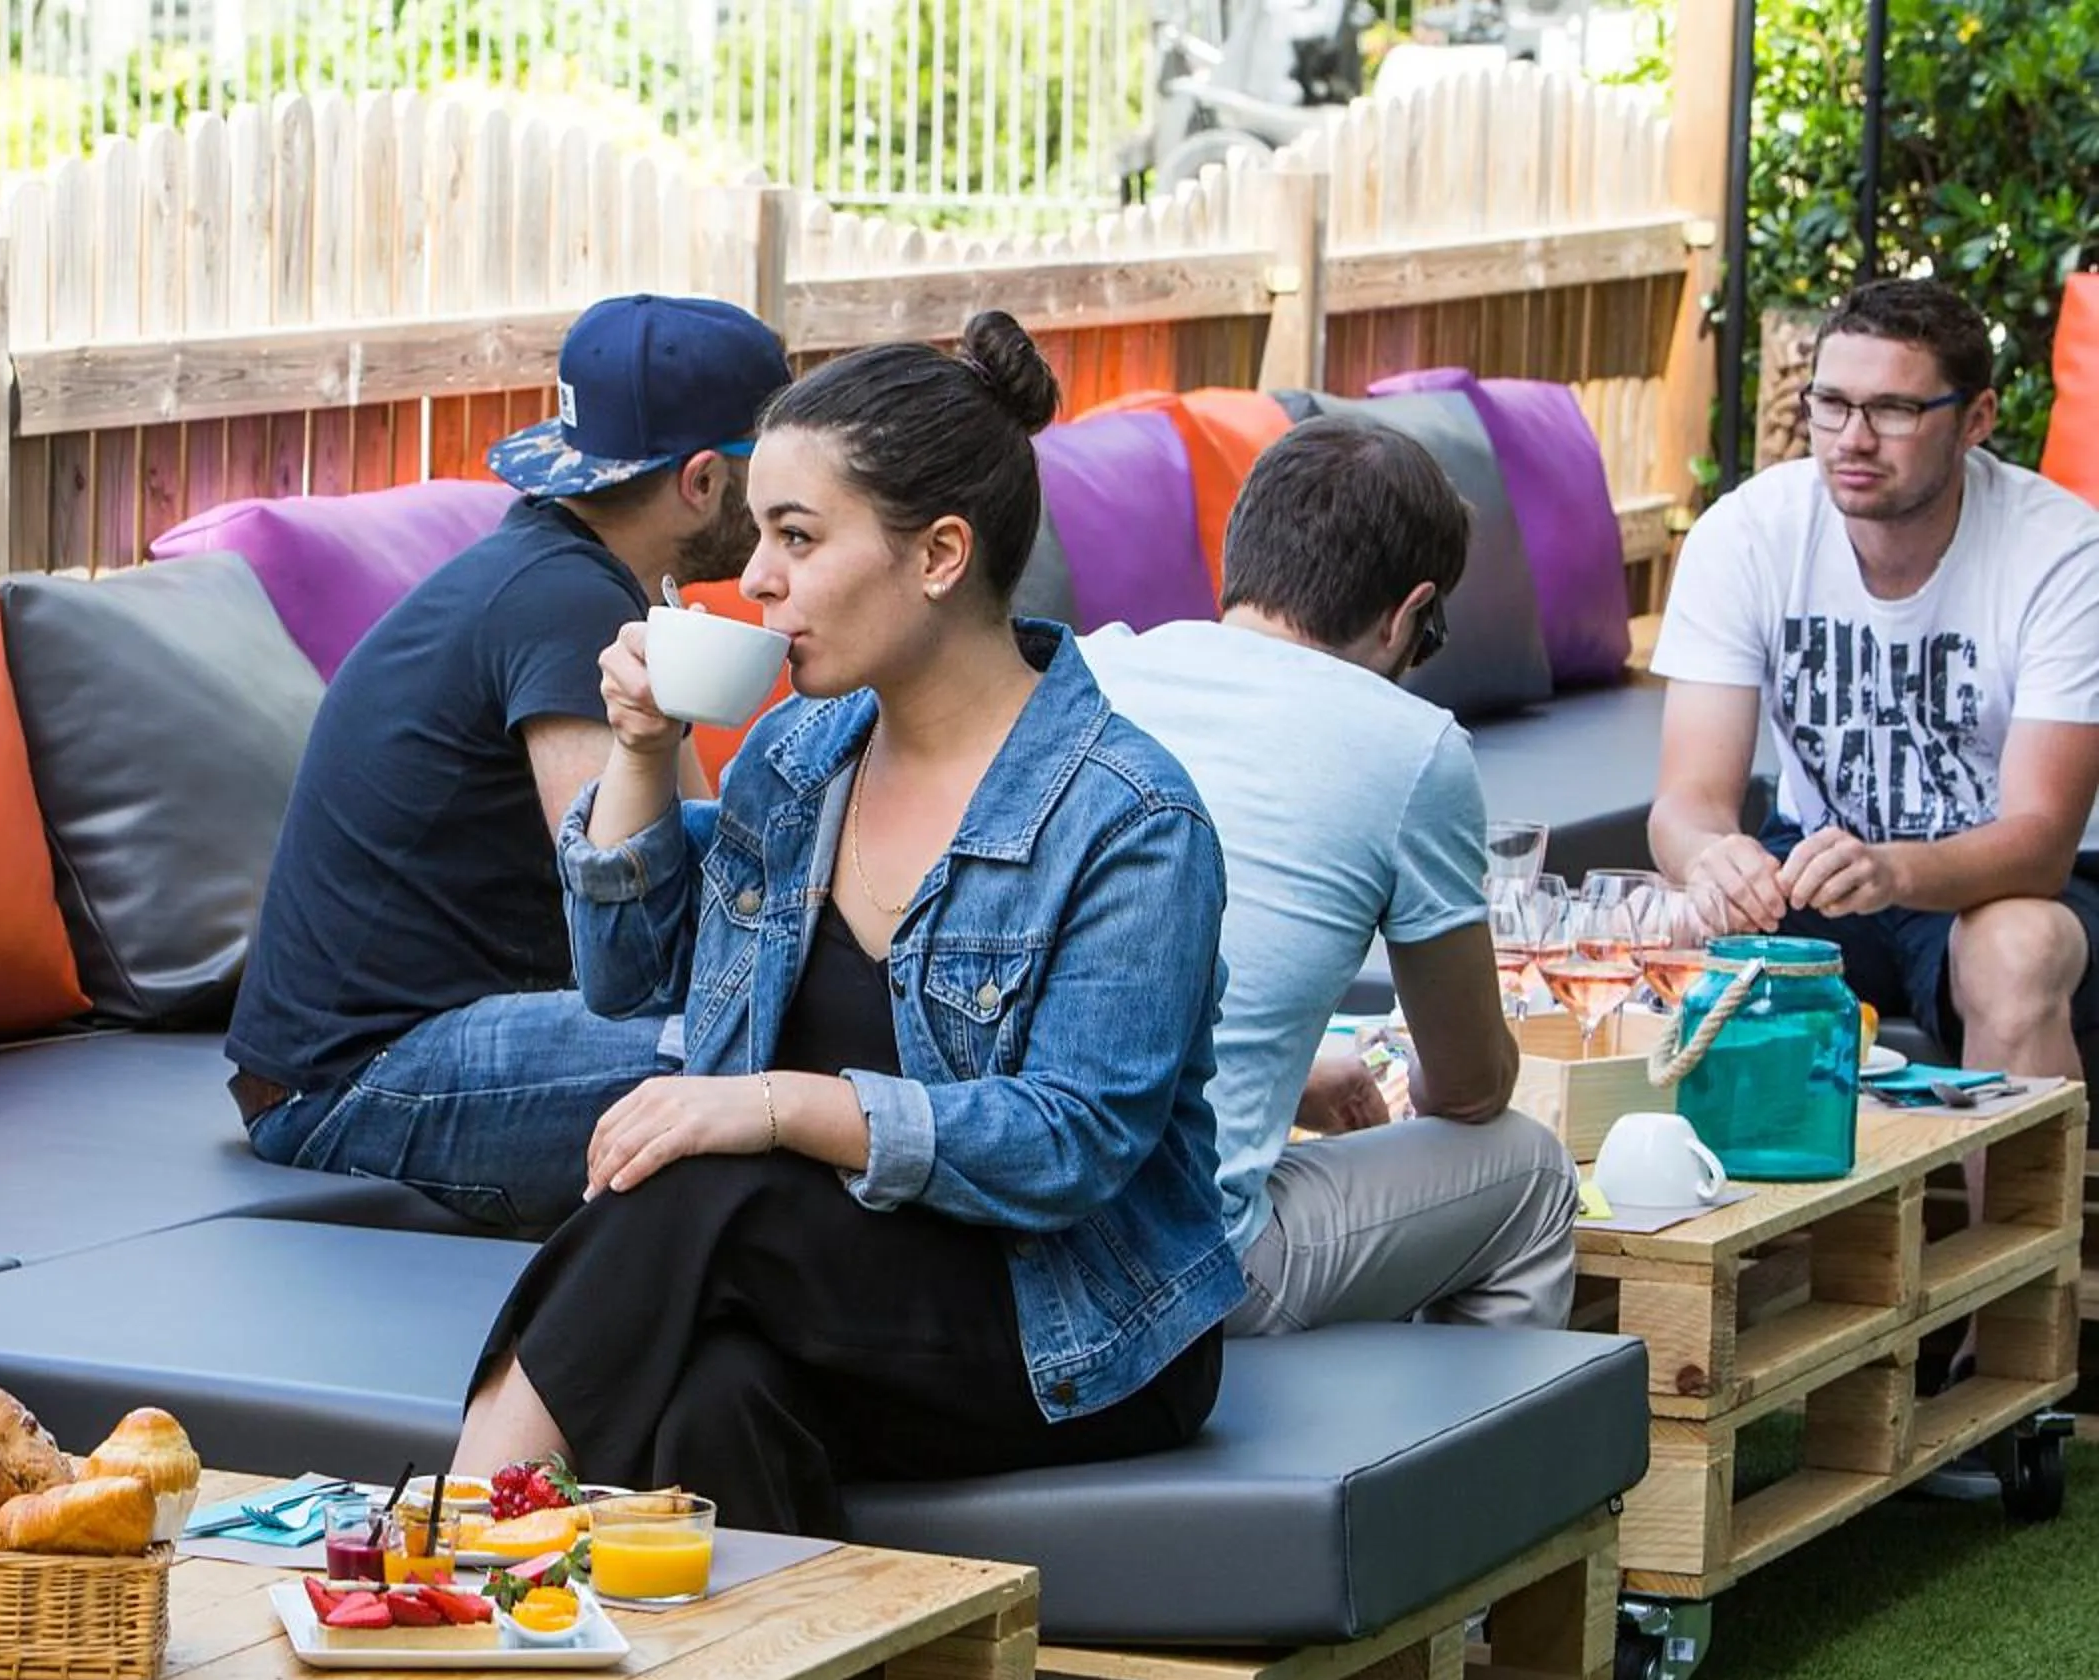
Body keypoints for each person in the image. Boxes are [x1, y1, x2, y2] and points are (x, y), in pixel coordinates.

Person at [451, 309, 1242, 1558]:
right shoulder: (798, 757)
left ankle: (455, 1541)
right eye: (760, 533)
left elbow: (1072, 1144)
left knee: (705, 1183)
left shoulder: (1129, 817)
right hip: (829, 1280)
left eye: (797, 537)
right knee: (716, 1397)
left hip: (1068, 1324)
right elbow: (625, 976)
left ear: (939, 555)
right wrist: (644, 752)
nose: (756, 577)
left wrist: (774, 1106)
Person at [226, 294, 792, 1229]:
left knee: (779, 1028)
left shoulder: (567, 569)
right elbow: (637, 928)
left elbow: (704, 859)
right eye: (771, 470)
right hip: (353, 1081)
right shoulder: (566, 602)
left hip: (374, 1053)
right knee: (764, 1050)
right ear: (702, 480)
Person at [1089, 418, 1577, 1333]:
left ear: (1240, 554)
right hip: (1196, 1268)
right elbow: (1469, 1090)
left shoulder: (1094, 664)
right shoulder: (1410, 746)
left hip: (1019, 1227)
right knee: (1531, 1172)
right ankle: (1465, 1429)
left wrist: (1295, 1069)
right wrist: (1429, 1081)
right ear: (1407, 612)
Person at [1652, 278, 2099, 1093]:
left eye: (1894, 410)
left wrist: (1892, 870)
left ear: (1976, 419)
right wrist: (1714, 859)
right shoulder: (1749, 534)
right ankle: (1723, 1178)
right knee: (1668, 924)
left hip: (1993, 883)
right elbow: (1687, 802)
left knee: (2018, 951)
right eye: (1831, 404)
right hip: (1814, 867)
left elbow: (2040, 844)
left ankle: (2014, 1186)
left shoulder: (2061, 554)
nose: (1852, 439)